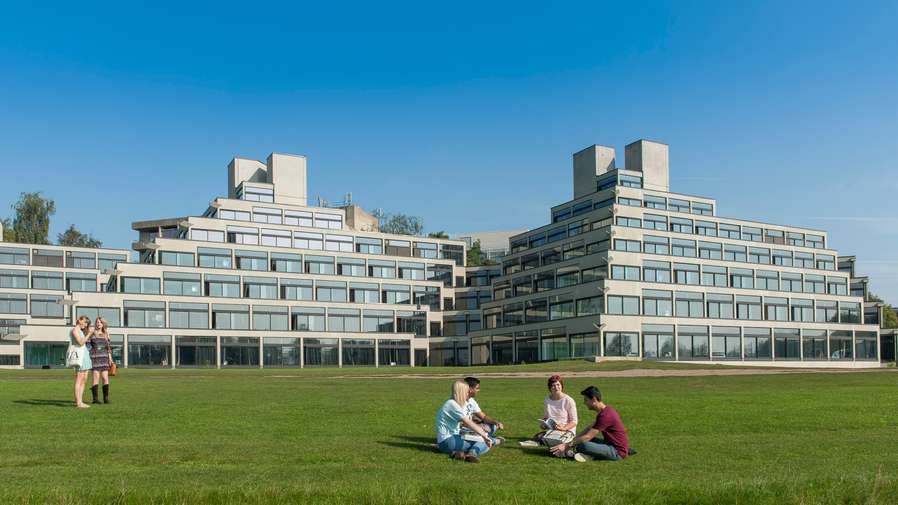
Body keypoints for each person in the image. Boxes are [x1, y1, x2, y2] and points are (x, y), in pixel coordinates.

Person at [550, 386, 630, 462]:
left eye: (586, 400)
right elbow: (589, 428)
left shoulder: (605, 415)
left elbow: (588, 436)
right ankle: (588, 454)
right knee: (580, 441)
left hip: (617, 452)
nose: (584, 403)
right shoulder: (605, 411)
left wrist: (566, 445)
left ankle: (580, 453)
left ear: (594, 400)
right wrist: (573, 440)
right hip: (609, 444)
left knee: (583, 445)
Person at [435, 380, 493, 463]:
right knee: (485, 442)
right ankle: (472, 453)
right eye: (466, 391)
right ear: (461, 392)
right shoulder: (452, 404)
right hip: (448, 441)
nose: (467, 393)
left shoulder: (452, 403)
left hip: (447, 441)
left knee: (480, 439)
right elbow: (468, 423)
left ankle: (458, 453)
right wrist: (484, 435)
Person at [519, 374, 578, 448]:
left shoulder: (568, 400)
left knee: (551, 439)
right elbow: (546, 417)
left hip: (566, 430)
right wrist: (544, 424)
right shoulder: (547, 399)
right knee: (538, 436)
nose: (556, 387)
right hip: (553, 429)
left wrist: (564, 428)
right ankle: (543, 441)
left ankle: (545, 442)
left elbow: (574, 421)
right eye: (553, 385)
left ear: (561, 385)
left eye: (558, 384)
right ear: (550, 388)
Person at [462, 377, 505, 444]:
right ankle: (494, 441)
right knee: (482, 432)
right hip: (463, 430)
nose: (478, 390)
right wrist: (479, 426)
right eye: (477, 388)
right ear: (470, 389)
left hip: (470, 428)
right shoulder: (458, 402)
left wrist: (496, 422)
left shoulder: (471, 400)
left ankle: (486, 437)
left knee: (492, 425)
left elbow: (483, 417)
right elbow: (461, 424)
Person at [69, 316, 93, 409]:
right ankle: (78, 403)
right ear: (79, 320)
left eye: (87, 323)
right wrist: (89, 334)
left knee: (84, 379)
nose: (85, 324)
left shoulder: (81, 331)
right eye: (85, 322)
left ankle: (80, 401)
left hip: (84, 355)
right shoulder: (75, 330)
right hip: (80, 357)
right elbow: (80, 342)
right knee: (79, 379)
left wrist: (87, 333)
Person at [87, 317, 113, 404]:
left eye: (100, 322)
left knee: (105, 378)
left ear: (103, 324)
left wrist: (110, 359)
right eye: (97, 322)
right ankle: (95, 399)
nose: (98, 324)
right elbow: (87, 346)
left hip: (104, 358)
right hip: (95, 358)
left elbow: (108, 348)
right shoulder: (92, 333)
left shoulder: (106, 334)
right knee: (96, 378)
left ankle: (106, 398)